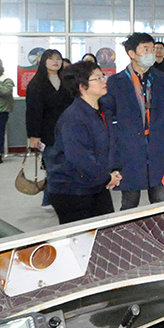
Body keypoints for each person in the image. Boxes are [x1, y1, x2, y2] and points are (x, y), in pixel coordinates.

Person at [101, 32, 164, 210]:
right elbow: (108, 113)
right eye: (146, 49)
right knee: (130, 200)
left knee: (159, 199)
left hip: (157, 146)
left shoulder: (163, 80)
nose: (151, 53)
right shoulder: (116, 82)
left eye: (152, 49)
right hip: (129, 147)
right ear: (132, 54)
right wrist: (118, 135)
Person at [43, 61, 121, 224]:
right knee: (82, 236)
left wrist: (114, 170)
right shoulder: (74, 118)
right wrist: (106, 178)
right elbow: (80, 158)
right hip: (72, 190)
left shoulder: (103, 111)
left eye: (103, 76)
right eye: (97, 78)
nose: (104, 81)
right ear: (82, 86)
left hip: (96, 184)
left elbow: (109, 146)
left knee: (105, 231)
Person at [26, 48, 73, 153]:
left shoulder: (67, 80)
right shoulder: (36, 83)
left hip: (68, 128)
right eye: (51, 59)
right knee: (51, 158)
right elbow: (33, 111)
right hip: (47, 130)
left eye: (58, 59)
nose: (55, 61)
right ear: (44, 61)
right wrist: (34, 134)